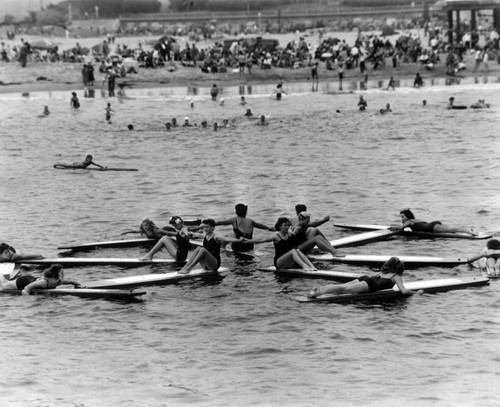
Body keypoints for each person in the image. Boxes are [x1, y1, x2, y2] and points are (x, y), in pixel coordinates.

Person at [307, 257, 418, 298]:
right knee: (343, 290)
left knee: (341, 286)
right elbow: (403, 291)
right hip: (370, 284)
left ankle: (320, 289)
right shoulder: (396, 276)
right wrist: (417, 293)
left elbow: (372, 276)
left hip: (366, 278)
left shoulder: (381, 273)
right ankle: (319, 294)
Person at [245, 217, 317, 270]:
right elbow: (262, 240)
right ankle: (304, 266)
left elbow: (297, 232)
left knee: (296, 249)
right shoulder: (276, 236)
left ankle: (311, 266)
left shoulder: (289, 234)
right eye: (285, 225)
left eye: (288, 225)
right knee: (293, 250)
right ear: (280, 227)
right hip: (279, 262)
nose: (287, 227)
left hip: (288, 261)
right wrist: (248, 241)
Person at [389, 208, 477, 235]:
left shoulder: (409, 222)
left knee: (451, 229)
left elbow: (401, 228)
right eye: (401, 217)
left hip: (431, 227)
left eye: (403, 216)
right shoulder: (415, 220)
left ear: (407, 216)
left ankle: (468, 231)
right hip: (434, 224)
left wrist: (392, 227)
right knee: (451, 230)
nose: (402, 219)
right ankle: (468, 231)